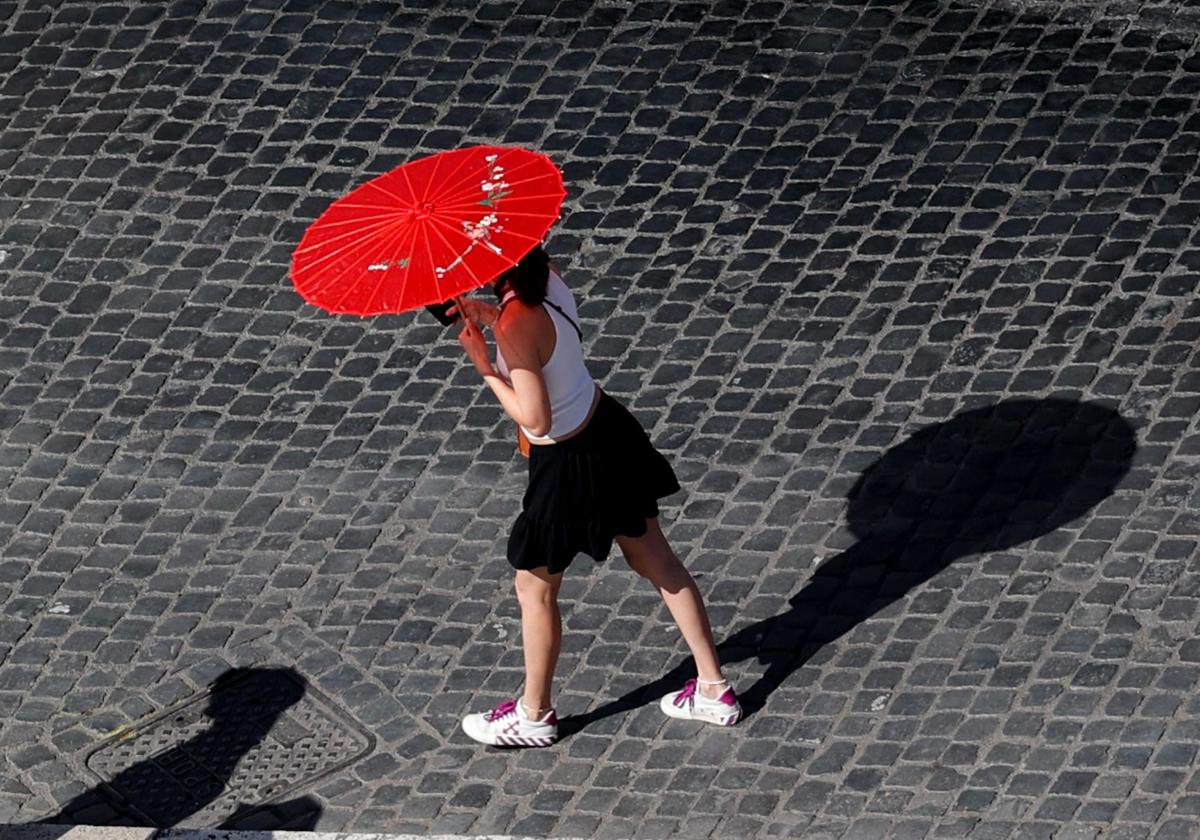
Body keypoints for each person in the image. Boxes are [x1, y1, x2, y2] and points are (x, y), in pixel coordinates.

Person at [448, 244, 740, 747]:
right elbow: (544, 340)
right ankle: (714, 688)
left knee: (534, 589)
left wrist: (486, 365)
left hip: (565, 466)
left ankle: (534, 715)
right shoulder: (550, 283)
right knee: (658, 559)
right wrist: (493, 317)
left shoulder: (515, 324)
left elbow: (535, 417)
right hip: (606, 431)